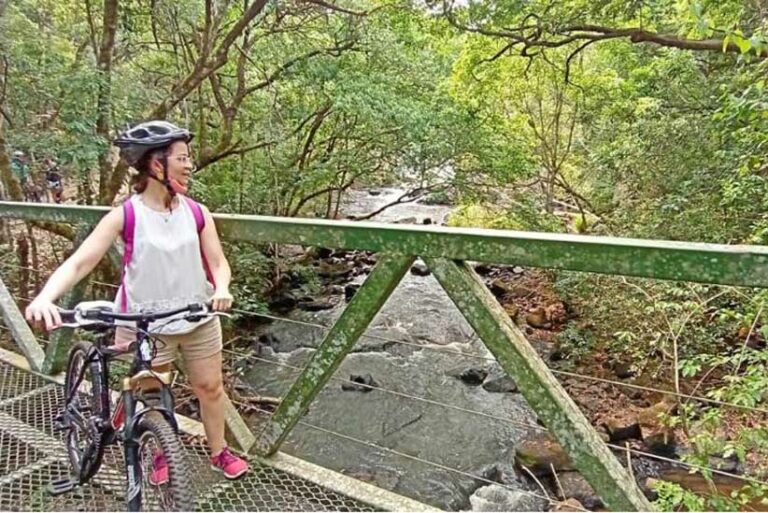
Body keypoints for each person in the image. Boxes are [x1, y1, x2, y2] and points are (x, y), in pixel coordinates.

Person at [24, 120, 249, 482]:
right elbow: (81, 261)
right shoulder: (126, 215)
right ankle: (161, 454)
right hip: (147, 324)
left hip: (197, 315)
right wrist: (45, 297)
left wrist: (222, 288)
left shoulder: (196, 212)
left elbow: (219, 263)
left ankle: (219, 452)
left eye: (188, 158)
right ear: (156, 164)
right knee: (152, 394)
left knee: (211, 388)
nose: (189, 165)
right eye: (181, 158)